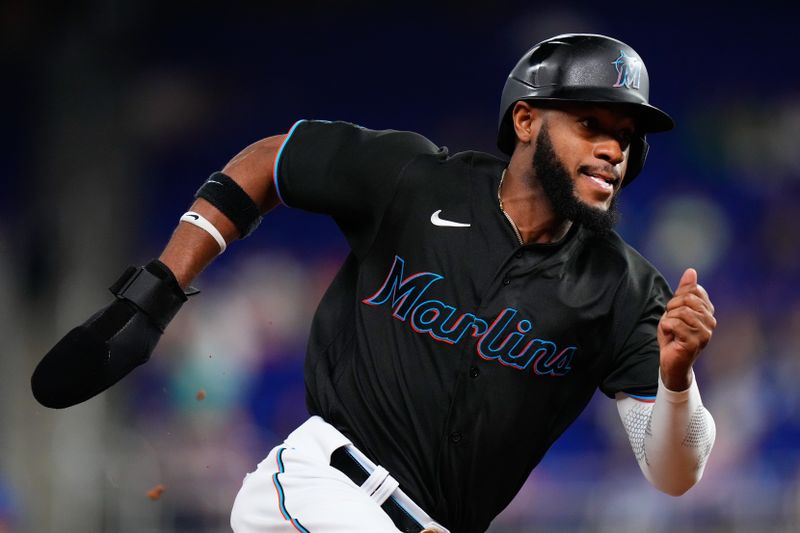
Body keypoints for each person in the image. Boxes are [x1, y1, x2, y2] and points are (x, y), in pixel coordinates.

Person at [32, 33, 717, 533]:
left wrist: (678, 380)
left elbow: (673, 473)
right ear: (527, 119)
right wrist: (160, 287)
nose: (612, 148)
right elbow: (275, 161)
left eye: (626, 135)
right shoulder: (416, 180)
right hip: (320, 488)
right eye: (592, 123)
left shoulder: (627, 288)